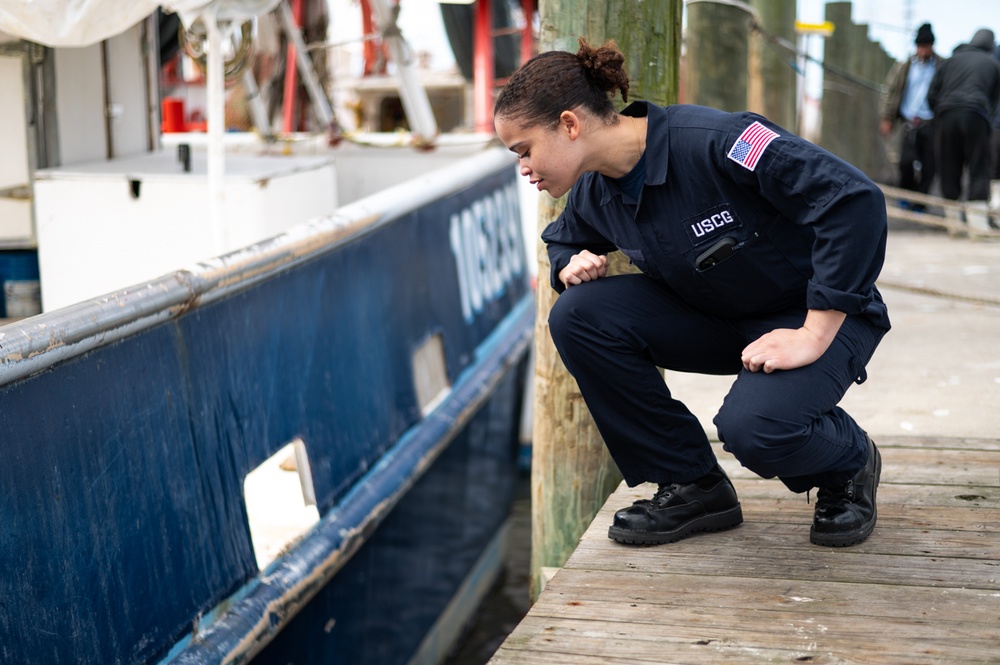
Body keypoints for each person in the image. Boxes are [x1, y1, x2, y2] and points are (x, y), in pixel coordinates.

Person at [493, 39, 890, 548]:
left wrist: (813, 332)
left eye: (524, 150)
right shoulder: (595, 189)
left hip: (816, 316)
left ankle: (848, 461)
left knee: (755, 430)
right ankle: (692, 483)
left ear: (570, 124)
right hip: (720, 317)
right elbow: (564, 236)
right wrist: (569, 262)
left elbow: (852, 201)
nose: (523, 167)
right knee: (578, 315)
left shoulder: (718, 141)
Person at [928, 28, 1000, 231]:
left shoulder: (950, 61)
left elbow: (932, 94)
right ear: (989, 45)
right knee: (979, 167)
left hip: (946, 115)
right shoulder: (993, 65)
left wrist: (940, 112)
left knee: (948, 166)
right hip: (976, 115)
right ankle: (978, 226)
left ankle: (954, 224)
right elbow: (995, 102)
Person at [878, 23, 941, 205]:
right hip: (908, 123)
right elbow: (890, 91)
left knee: (929, 166)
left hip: (931, 123)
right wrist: (887, 117)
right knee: (905, 162)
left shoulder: (940, 66)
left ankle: (920, 203)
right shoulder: (904, 66)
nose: (922, 50)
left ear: (931, 46)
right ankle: (905, 197)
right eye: (920, 47)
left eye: (926, 46)